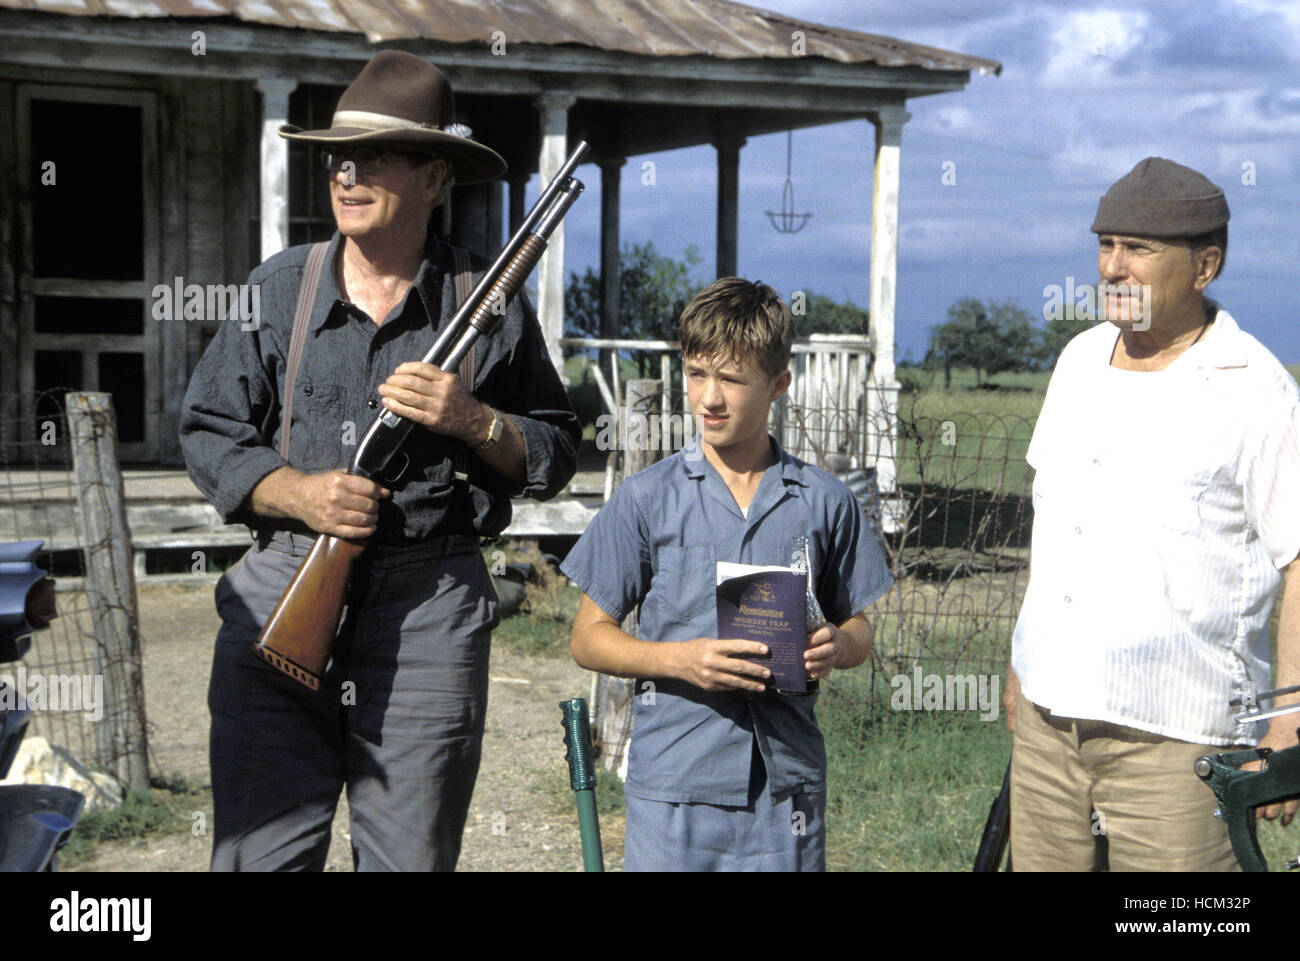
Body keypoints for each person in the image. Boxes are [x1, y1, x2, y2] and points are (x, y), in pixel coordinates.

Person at [179, 51, 580, 871]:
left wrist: (472, 420)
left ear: (434, 177)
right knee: (257, 857)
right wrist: (297, 492)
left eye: (378, 156)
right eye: (337, 157)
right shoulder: (279, 288)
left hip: (429, 609)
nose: (348, 172)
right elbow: (210, 426)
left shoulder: (489, 306)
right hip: (284, 587)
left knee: (410, 859)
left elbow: (554, 450)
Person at [1006, 157, 1300, 871]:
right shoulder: (1077, 360)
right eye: (1106, 244)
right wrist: (1020, 665)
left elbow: (1299, 558)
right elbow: (1054, 524)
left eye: (1139, 249)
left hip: (1183, 738)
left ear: (1205, 266)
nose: (1113, 266)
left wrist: (1289, 717)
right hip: (1050, 728)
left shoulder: (1254, 386)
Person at [561, 278, 893, 871]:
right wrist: (680, 660)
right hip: (675, 785)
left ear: (778, 386)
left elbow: (860, 628)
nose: (709, 398)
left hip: (785, 787)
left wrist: (838, 646)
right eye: (695, 374)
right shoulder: (646, 498)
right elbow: (588, 638)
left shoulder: (825, 502)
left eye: (733, 380)